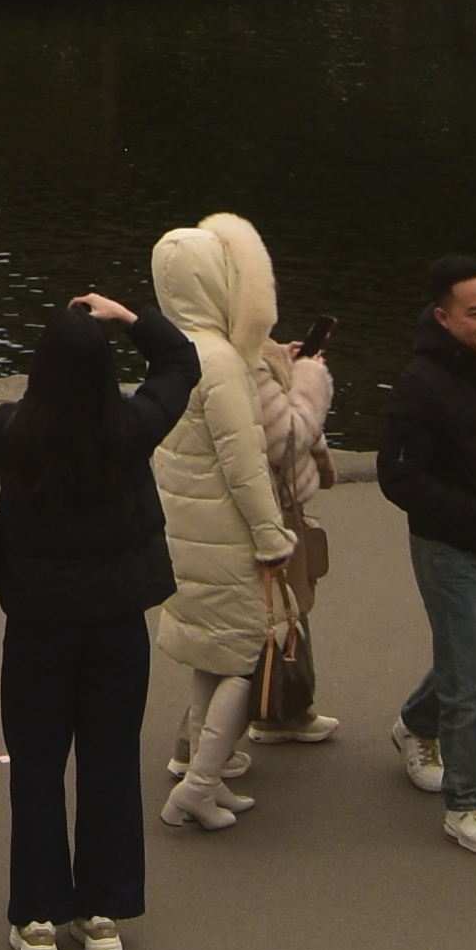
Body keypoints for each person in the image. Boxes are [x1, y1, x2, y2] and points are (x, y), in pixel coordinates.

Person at [0, 290, 196, 950]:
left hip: (40, 624)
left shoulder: (10, 429)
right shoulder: (130, 429)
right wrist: (130, 318)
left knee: (38, 764)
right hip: (115, 623)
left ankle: (39, 917)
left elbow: (28, 410)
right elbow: (180, 363)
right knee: (109, 758)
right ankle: (102, 913)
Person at [142, 216, 310, 835]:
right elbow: (245, 465)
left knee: (207, 652)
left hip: (182, 531)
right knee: (245, 656)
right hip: (228, 534)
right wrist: (272, 538)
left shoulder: (167, 350)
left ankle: (199, 766)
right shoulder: (220, 362)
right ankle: (199, 785)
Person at [374, 254, 476, 863]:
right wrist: (471, 519)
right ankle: (469, 805)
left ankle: (417, 724)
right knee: (474, 684)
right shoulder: (420, 384)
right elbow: (398, 477)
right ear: (444, 317)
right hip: (450, 552)